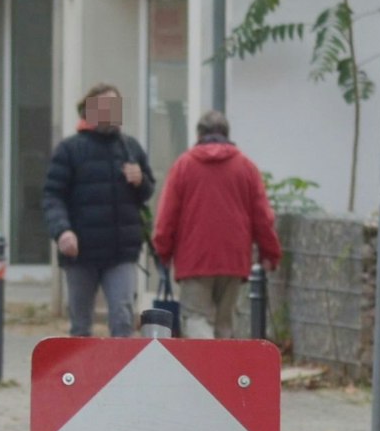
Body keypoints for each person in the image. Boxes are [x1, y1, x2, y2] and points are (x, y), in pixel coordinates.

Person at [152, 111, 282, 339]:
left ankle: (205, 372)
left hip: (194, 260)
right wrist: (269, 253)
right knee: (225, 322)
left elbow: (167, 216)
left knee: (196, 317)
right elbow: (263, 216)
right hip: (233, 259)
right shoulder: (246, 167)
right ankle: (223, 372)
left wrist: (163, 251)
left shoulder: (184, 166)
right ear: (226, 134)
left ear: (199, 134)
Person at [42, 83, 153, 337]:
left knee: (123, 316)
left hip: (121, 251)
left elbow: (145, 194)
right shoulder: (70, 149)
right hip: (80, 252)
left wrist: (141, 181)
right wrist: (62, 232)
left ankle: (122, 372)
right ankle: (83, 375)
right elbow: (52, 195)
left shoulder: (130, 148)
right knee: (81, 323)